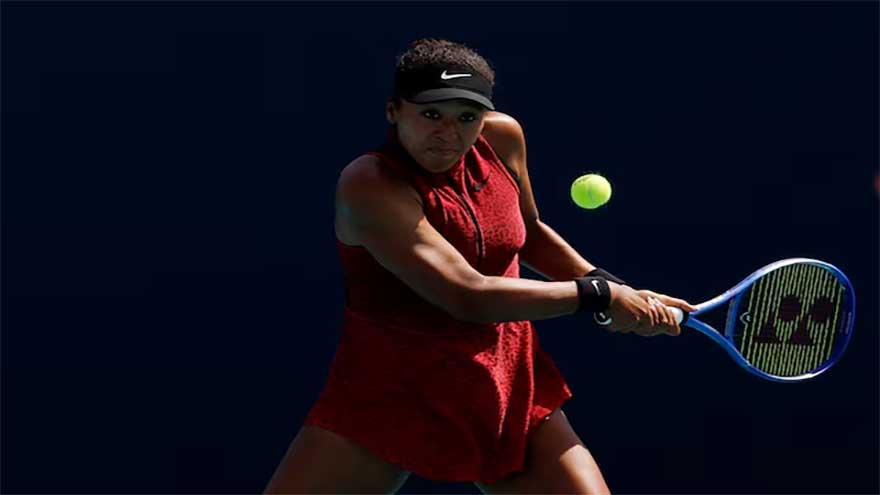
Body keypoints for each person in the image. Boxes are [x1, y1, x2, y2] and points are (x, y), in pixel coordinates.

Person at [264, 38, 697, 494]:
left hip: (506, 384)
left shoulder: (502, 138)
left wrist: (608, 285)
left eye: (467, 117)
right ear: (394, 110)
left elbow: (528, 232)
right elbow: (466, 294)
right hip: (394, 390)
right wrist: (599, 297)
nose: (449, 133)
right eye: (431, 114)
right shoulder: (369, 185)